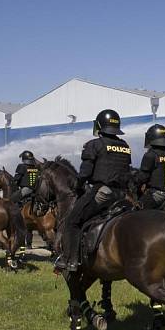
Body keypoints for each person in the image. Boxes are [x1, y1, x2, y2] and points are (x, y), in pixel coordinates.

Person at [54, 109, 132, 273]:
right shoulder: (125, 146)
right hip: (121, 195)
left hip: (102, 193)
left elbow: (85, 173)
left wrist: (78, 185)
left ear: (99, 126)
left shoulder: (94, 145)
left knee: (72, 221)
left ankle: (71, 260)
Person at [137, 124, 165, 212]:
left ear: (150, 138)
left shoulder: (150, 154)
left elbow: (142, 177)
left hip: (157, 196)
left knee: (136, 210)